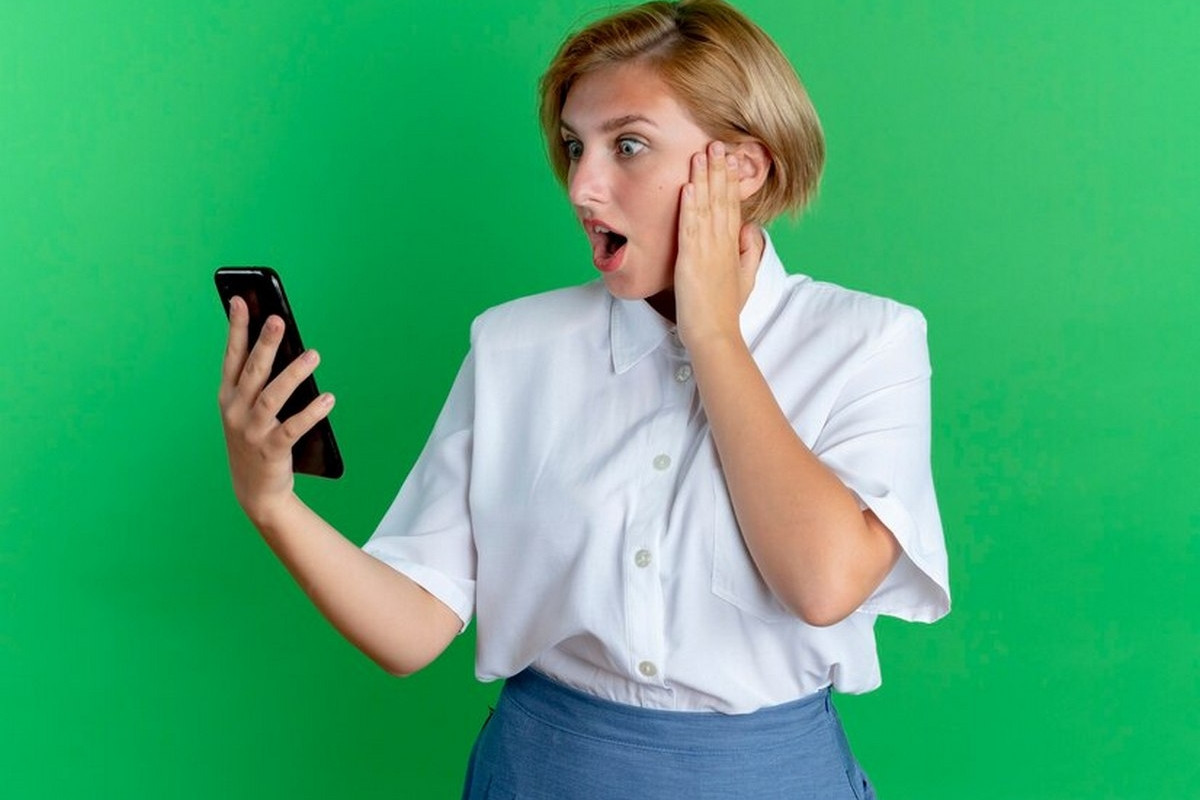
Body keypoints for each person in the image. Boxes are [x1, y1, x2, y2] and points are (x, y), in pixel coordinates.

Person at [217, 1, 950, 796]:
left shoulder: (868, 342)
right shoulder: (513, 346)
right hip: (542, 772)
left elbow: (823, 585)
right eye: (574, 146)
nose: (582, 186)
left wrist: (712, 335)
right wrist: (271, 503)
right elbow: (412, 630)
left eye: (627, 145)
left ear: (742, 168)